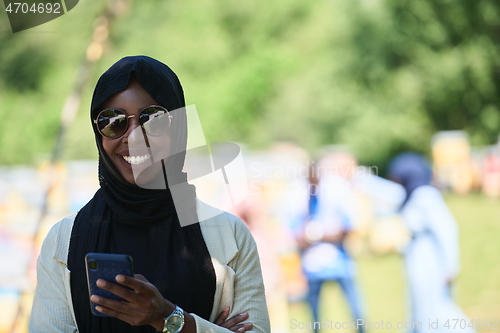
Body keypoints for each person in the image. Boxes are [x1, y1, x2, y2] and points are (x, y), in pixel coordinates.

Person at [29, 56, 270, 333]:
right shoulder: (63, 242)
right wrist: (204, 328)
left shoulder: (230, 237)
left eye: (154, 119)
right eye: (114, 121)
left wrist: (170, 318)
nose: (134, 137)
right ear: (99, 133)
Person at [388, 152, 474, 333]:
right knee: (421, 311)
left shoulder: (425, 196)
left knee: (437, 311)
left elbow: (447, 230)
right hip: (419, 263)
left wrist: (450, 266)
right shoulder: (414, 197)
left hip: (431, 265)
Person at [293, 154, 364, 333]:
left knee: (356, 311)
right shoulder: (298, 194)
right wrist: (306, 237)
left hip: (339, 261)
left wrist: (322, 235)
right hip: (312, 266)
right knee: (315, 316)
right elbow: (292, 231)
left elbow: (350, 226)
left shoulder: (336, 191)